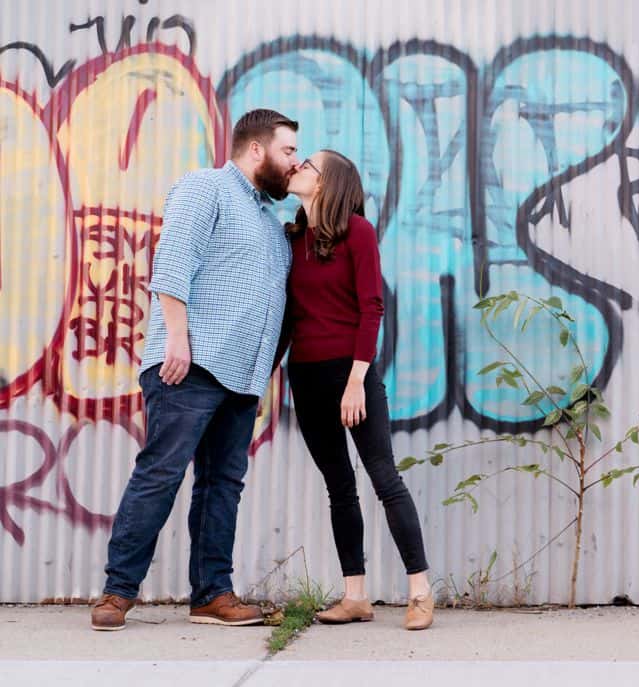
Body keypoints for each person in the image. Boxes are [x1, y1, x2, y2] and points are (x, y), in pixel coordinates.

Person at [91, 109, 299, 631]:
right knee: (160, 473)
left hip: (243, 377)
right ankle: (117, 592)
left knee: (222, 484)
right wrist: (177, 341)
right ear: (258, 150)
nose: (293, 162)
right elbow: (173, 263)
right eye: (289, 151)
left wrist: (263, 372)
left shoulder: (272, 226)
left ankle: (211, 593)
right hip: (191, 365)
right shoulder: (206, 187)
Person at [281, 149, 433, 630]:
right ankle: (355, 596)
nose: (297, 167)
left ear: (329, 183)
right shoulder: (294, 239)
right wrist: (264, 374)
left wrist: (355, 384)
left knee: (385, 480)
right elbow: (288, 317)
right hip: (305, 378)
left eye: (308, 164)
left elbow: (372, 309)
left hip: (353, 378)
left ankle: (420, 591)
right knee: (339, 488)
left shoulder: (358, 234)